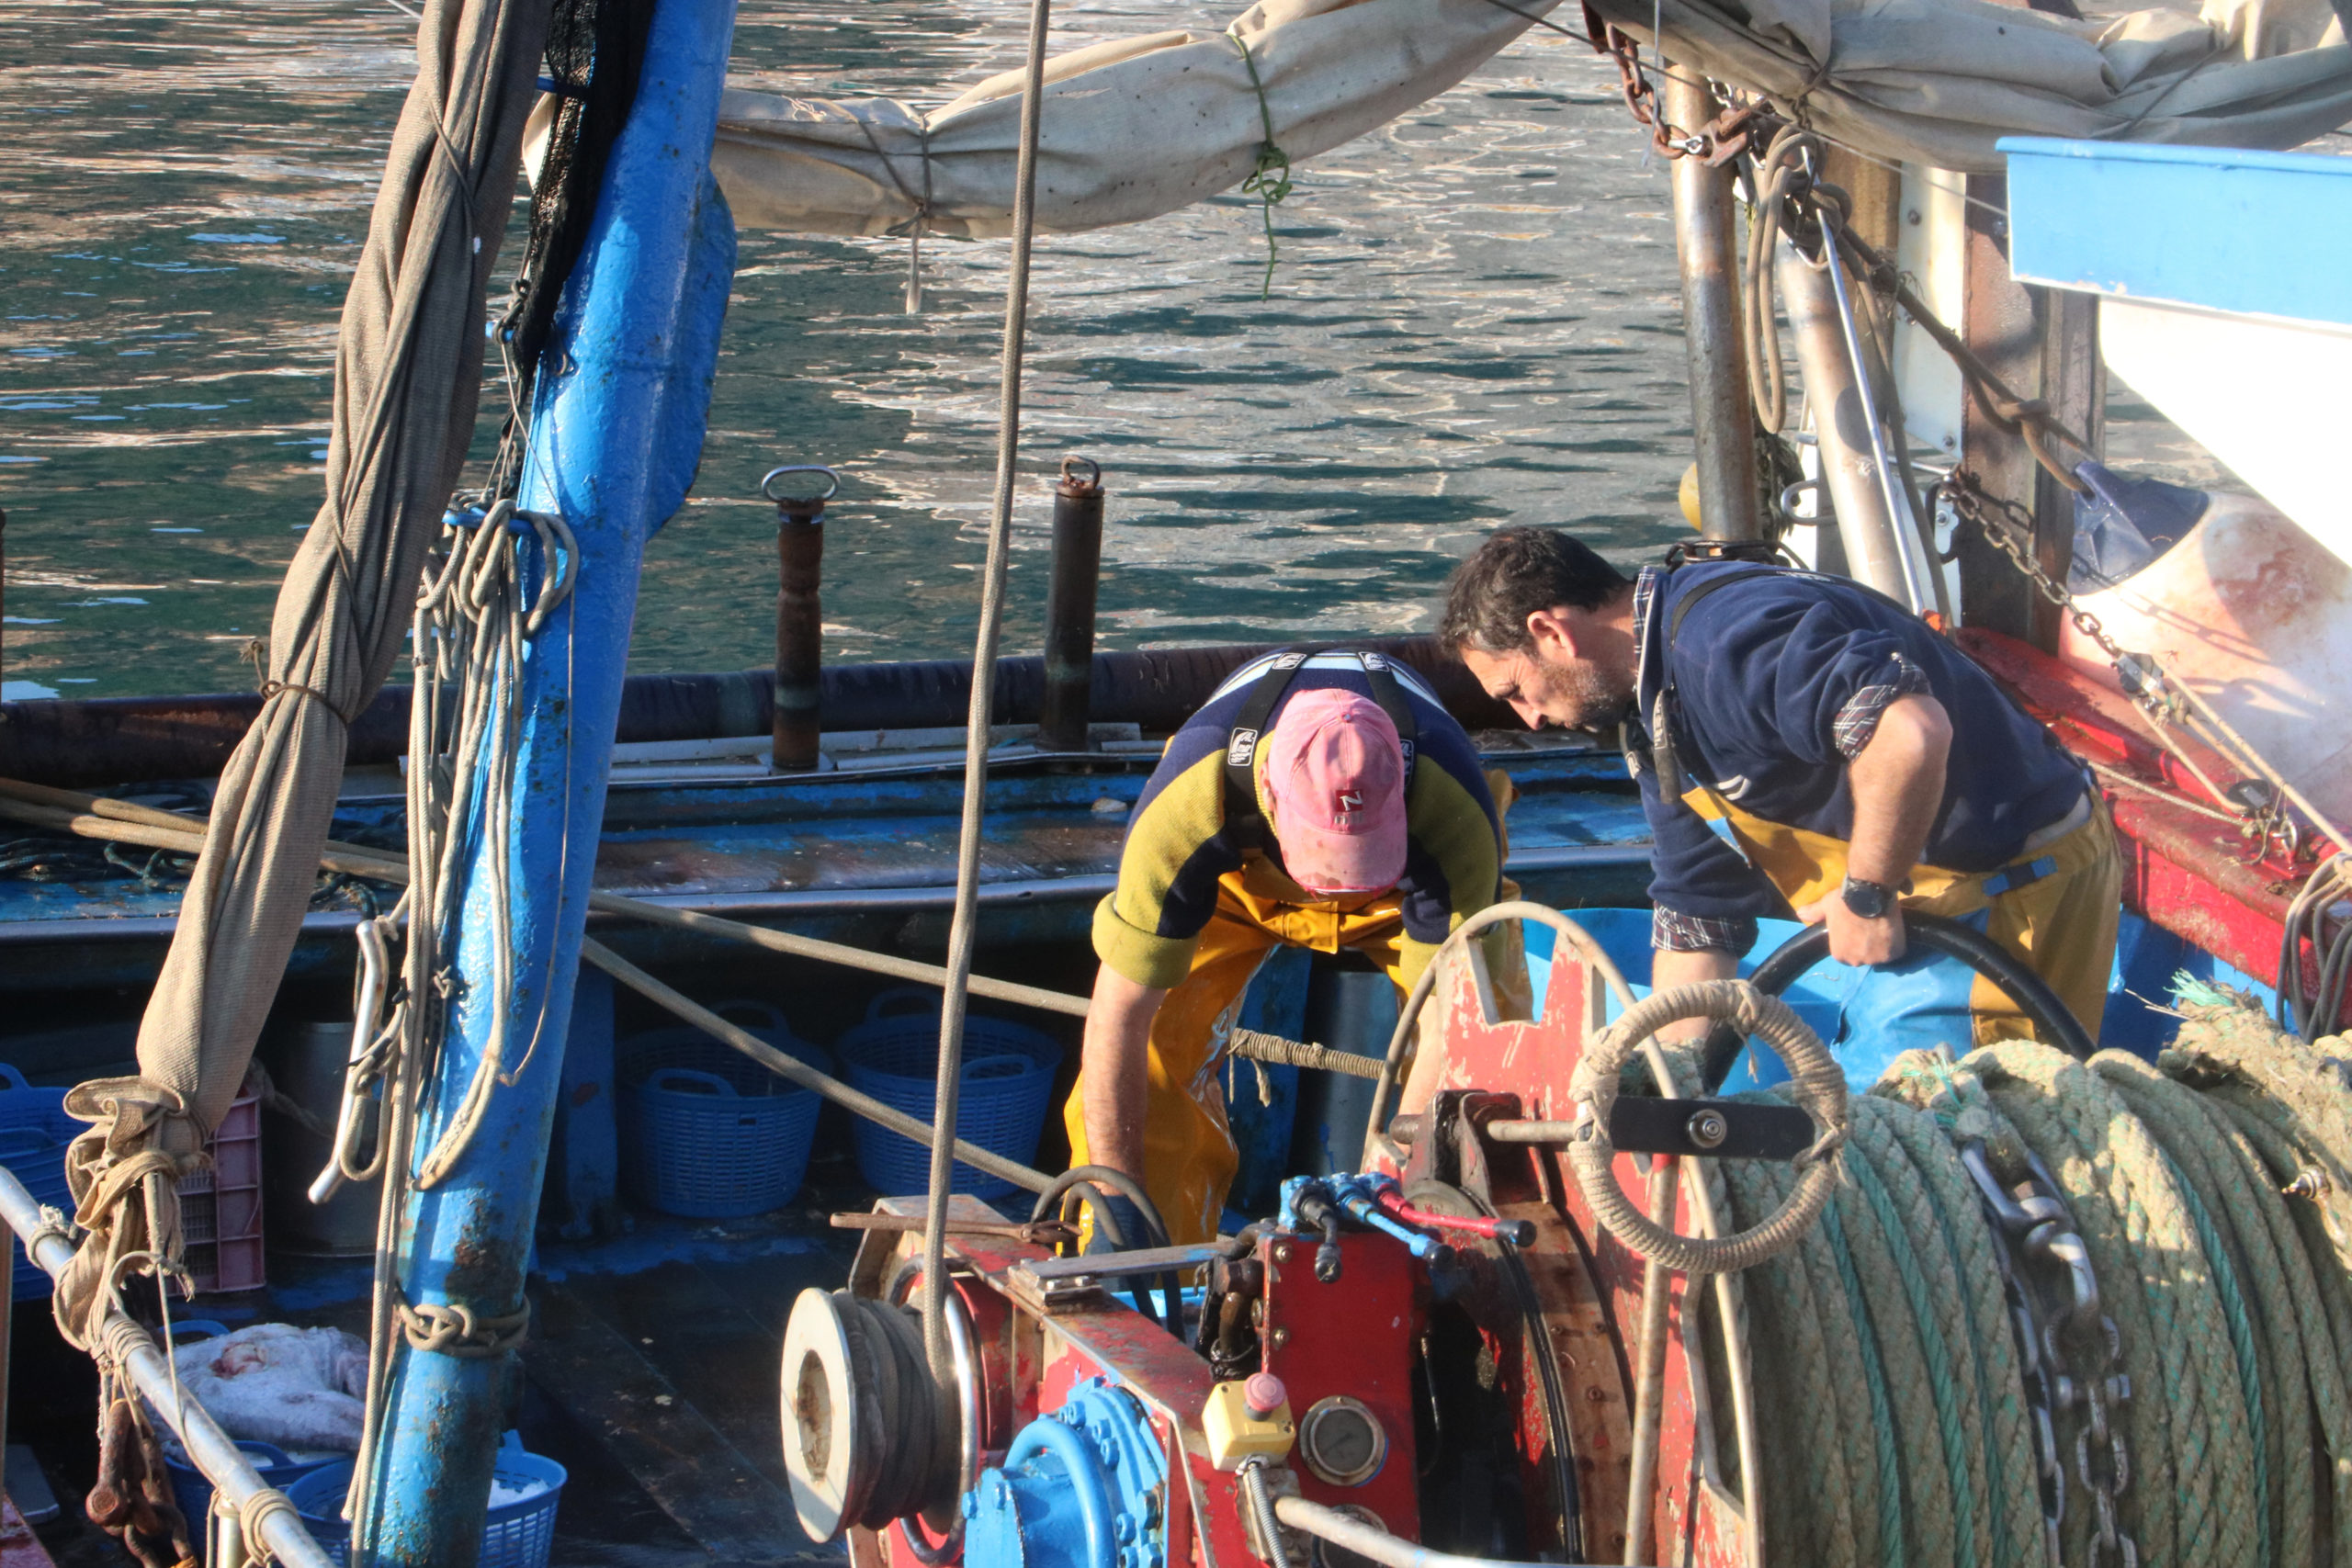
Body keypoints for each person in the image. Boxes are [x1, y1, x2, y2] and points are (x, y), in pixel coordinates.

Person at [1436, 527, 2120, 1055]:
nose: (1530, 720)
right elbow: (1698, 908)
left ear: (1550, 632)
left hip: (2010, 892)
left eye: (1518, 691)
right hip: (1921, 906)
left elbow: (1909, 732)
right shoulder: (1653, 715)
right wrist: (1670, 1079)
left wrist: (1866, 892)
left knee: (1974, 1149)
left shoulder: (1723, 641)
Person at [1066, 648, 1518, 1244]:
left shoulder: (1453, 806)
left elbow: (1448, 1030)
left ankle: (1466, 1252)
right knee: (1157, 1052)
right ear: (1271, 800)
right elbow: (1118, 1018)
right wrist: (1118, 1205)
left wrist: (1387, 1207)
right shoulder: (1187, 803)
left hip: (1404, 886)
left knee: (1494, 1060)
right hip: (1238, 881)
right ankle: (1148, 1271)